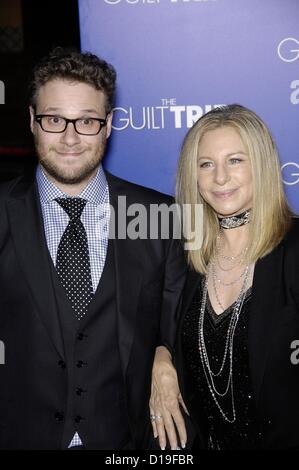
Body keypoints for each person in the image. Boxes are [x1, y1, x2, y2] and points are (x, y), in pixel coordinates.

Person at [0, 47, 186, 450]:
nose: (69, 138)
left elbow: (175, 323)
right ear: (32, 121)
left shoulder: (153, 214)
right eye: (54, 120)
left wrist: (163, 354)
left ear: (109, 126)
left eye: (86, 121)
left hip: (126, 442)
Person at [150, 104, 299, 450]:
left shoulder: (292, 251)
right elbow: (151, 328)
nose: (219, 178)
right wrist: (160, 357)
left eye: (235, 160)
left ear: (260, 165)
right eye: (206, 164)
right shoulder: (184, 256)